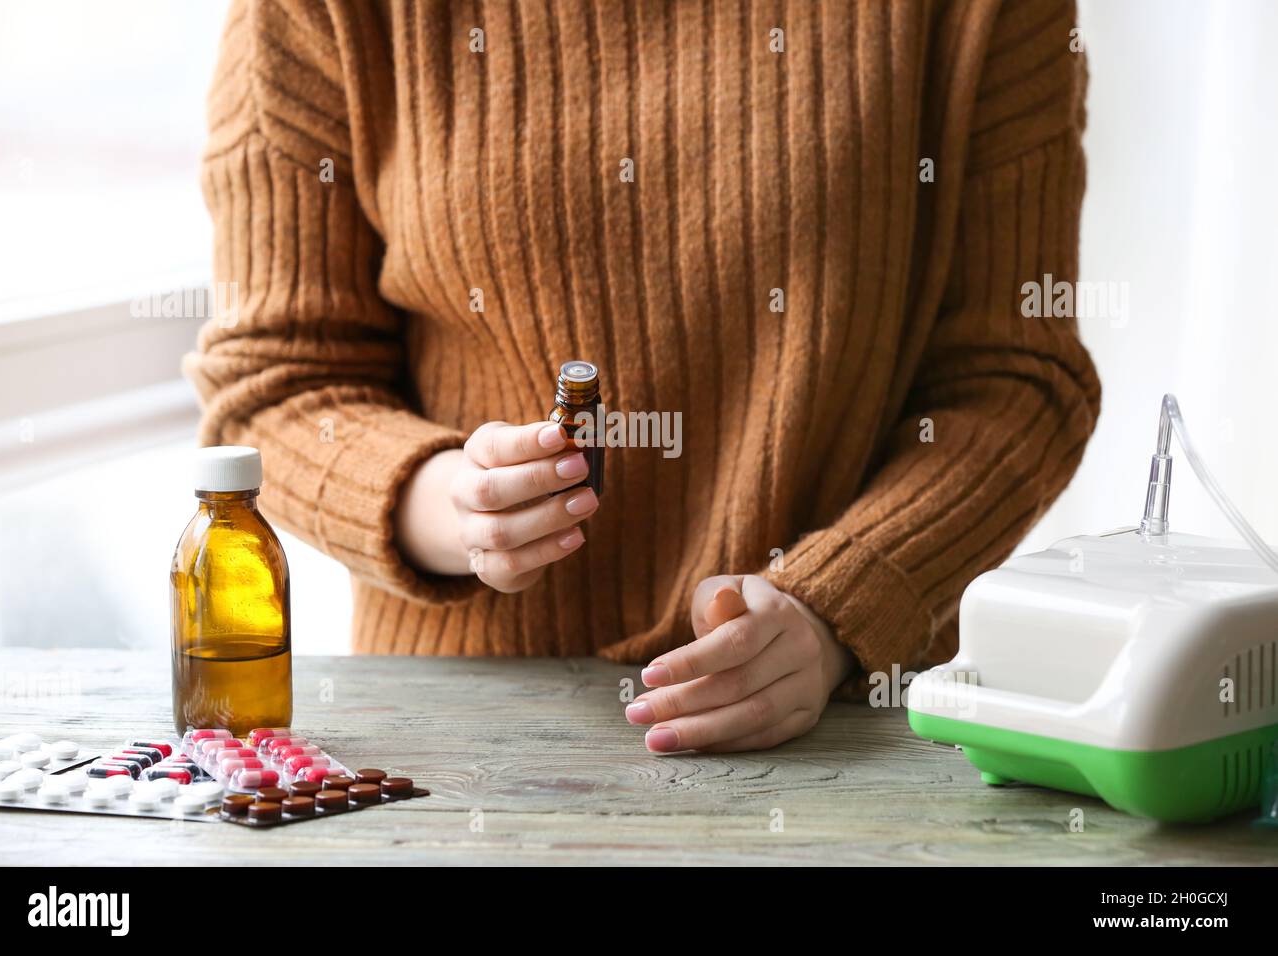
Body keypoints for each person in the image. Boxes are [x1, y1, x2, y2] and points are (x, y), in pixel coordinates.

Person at [187, 0, 1100, 753]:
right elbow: (272, 385)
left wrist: (838, 607)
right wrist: (450, 504)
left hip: (851, 741)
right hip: (458, 754)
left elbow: (1018, 377)